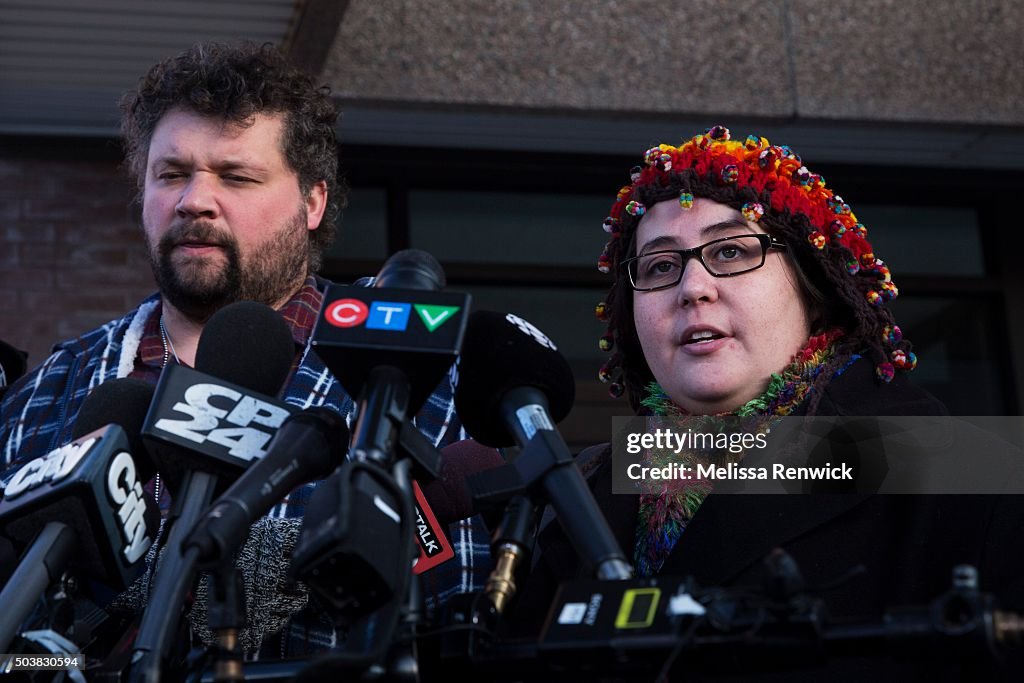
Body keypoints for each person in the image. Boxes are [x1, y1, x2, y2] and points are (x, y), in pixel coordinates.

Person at [0, 42, 488, 661]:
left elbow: (459, 612)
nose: (194, 201)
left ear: (312, 202)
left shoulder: (423, 364)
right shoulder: (50, 390)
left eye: (236, 176)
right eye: (171, 174)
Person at [513, 126, 1024, 681]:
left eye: (730, 251)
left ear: (815, 289)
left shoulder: (966, 475)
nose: (693, 287)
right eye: (660, 266)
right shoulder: (575, 497)